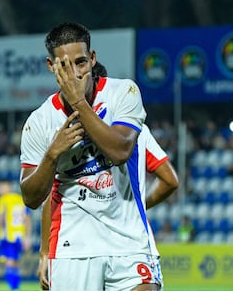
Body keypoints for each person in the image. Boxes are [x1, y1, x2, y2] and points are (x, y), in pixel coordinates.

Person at [20, 22, 157, 290]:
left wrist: (80, 104)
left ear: (93, 59)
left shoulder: (123, 93)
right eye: (64, 66)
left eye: (81, 62)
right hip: (72, 249)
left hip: (129, 243)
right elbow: (32, 197)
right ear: (51, 66)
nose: (75, 74)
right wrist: (52, 156)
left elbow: (119, 151)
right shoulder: (39, 121)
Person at [37, 123, 179, 290]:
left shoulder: (64, 132)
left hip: (76, 246)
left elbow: (52, 193)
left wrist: (45, 252)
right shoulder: (135, 129)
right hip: (129, 243)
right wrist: (135, 205)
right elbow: (170, 181)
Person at [0, 180, 32, 291]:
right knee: (15, 262)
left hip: (8, 236)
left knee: (9, 261)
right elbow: (28, 219)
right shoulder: (20, 199)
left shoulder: (3, 200)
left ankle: (13, 287)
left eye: (1, 187)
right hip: (20, 236)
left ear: (7, 187)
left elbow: (1, 218)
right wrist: (27, 237)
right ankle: (15, 286)